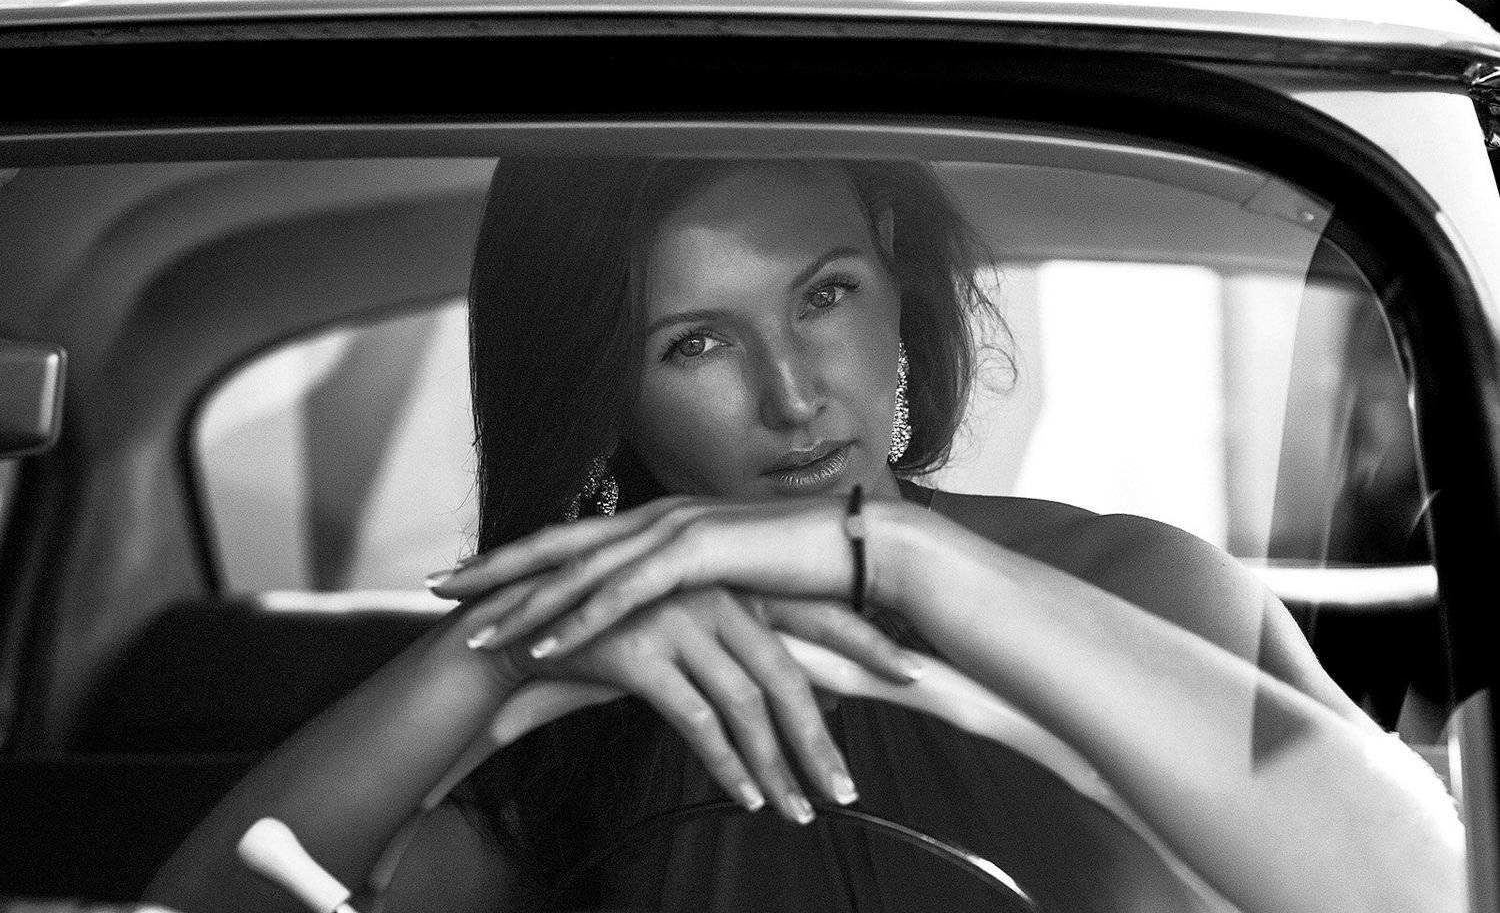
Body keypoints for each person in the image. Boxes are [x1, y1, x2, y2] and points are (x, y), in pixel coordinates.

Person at [149, 156, 1464, 913]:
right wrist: (489, 661)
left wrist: (912, 561)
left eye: (824, 294)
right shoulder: (574, 704)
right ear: (602, 386)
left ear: (893, 276)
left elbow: (1432, 893)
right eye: (695, 343)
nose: (792, 395)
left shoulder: (1138, 587)